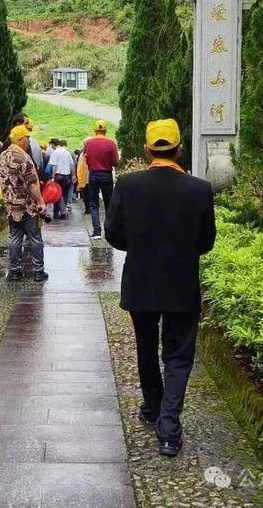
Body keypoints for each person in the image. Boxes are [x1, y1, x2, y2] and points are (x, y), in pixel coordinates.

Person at [104, 119, 215, 457]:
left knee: (146, 347)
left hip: (140, 282)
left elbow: (112, 233)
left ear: (146, 150)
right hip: (181, 284)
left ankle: (152, 406)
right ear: (180, 150)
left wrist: (139, 246)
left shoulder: (127, 185)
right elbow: (206, 241)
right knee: (178, 357)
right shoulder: (199, 189)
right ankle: (169, 429)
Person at [0, 124, 48, 282]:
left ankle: (15, 271)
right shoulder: (23, 158)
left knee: (14, 238)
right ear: (20, 139)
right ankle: (38, 271)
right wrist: (41, 201)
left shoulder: (3, 156)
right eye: (27, 138)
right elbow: (32, 183)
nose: (28, 140)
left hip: (11, 206)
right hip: (27, 207)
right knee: (35, 238)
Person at [83, 120, 119, 238]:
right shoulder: (111, 143)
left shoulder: (89, 143)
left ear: (95, 130)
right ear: (105, 131)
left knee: (94, 204)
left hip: (93, 174)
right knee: (109, 203)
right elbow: (115, 162)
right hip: (106, 175)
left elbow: (86, 160)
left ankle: (96, 231)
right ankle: (109, 231)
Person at [49, 138, 76, 219]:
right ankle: (62, 212)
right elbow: (72, 165)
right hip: (66, 176)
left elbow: (54, 166)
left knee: (56, 194)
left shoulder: (55, 152)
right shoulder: (67, 153)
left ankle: (57, 212)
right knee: (64, 194)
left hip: (58, 176)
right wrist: (73, 175)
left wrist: (53, 177)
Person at [76, 147, 91, 215]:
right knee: (91, 194)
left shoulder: (82, 154)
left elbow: (79, 167)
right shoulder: (94, 152)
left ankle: (87, 209)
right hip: (91, 176)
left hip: (84, 177)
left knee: (86, 194)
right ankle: (90, 208)